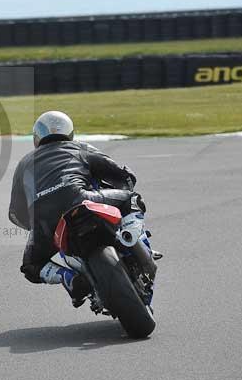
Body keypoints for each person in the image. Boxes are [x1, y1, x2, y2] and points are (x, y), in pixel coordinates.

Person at [8, 110, 142, 306]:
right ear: (70, 132)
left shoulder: (23, 164)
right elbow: (116, 172)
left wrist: (37, 227)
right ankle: (129, 236)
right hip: (80, 199)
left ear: (36, 138)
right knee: (131, 199)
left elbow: (16, 212)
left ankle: (66, 276)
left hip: (44, 219)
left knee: (31, 265)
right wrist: (126, 180)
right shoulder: (79, 147)